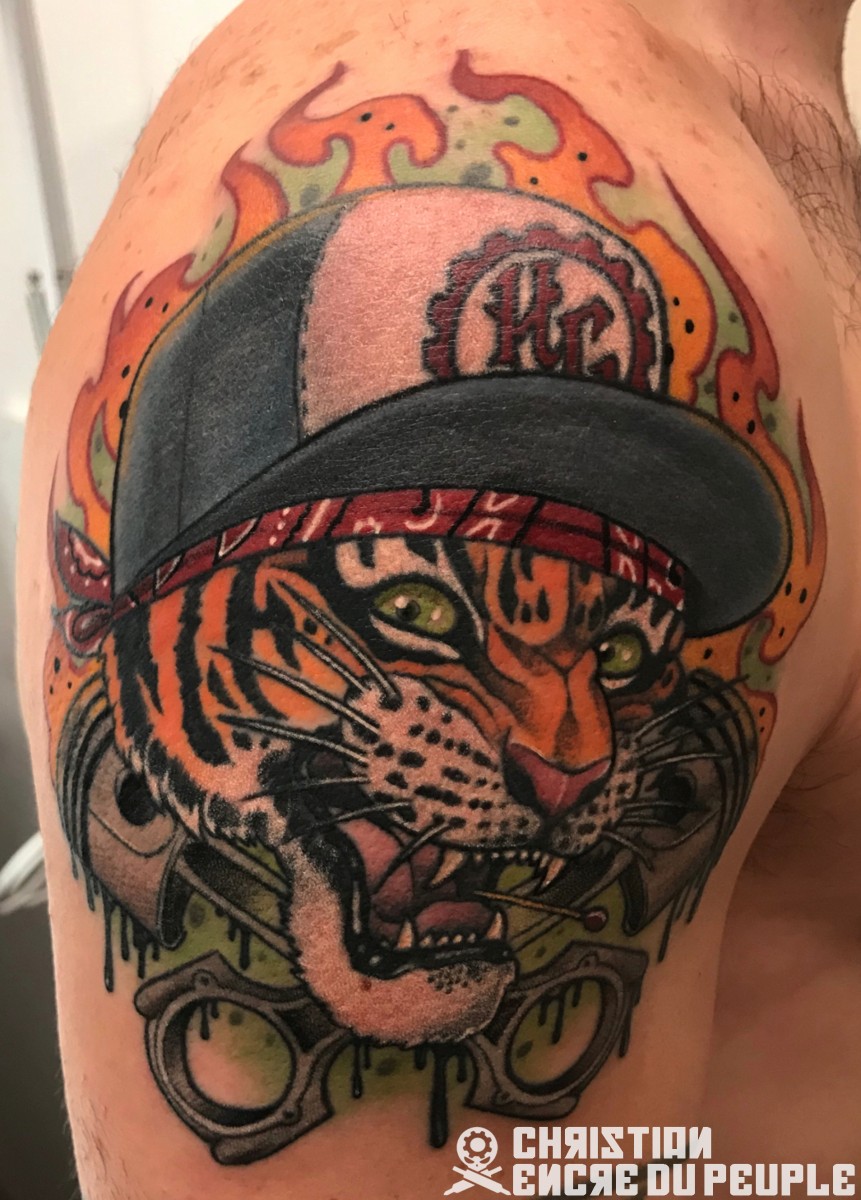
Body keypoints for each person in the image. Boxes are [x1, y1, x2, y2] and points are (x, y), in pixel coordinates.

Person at [16, 1, 861, 1196]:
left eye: (615, 658)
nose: (567, 753)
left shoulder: (770, 120)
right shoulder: (436, 61)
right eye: (418, 612)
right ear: (169, 604)